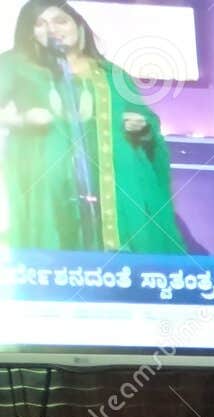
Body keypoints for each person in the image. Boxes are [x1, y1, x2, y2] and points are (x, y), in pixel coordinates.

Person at [0, 1, 185, 253]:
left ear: (79, 26)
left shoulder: (111, 74)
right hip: (48, 187)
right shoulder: (15, 66)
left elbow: (147, 122)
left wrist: (141, 126)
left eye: (59, 21)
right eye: (40, 24)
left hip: (114, 188)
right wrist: (20, 120)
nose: (51, 28)